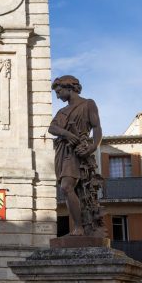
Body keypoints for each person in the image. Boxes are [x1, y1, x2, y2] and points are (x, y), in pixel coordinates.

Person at [48, 75, 104, 236]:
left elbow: (97, 128)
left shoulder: (88, 104)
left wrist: (92, 147)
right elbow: (52, 128)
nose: (57, 96)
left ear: (69, 88)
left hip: (80, 151)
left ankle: (80, 228)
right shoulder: (62, 111)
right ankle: (80, 227)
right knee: (68, 189)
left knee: (67, 187)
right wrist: (66, 134)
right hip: (63, 151)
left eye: (59, 91)